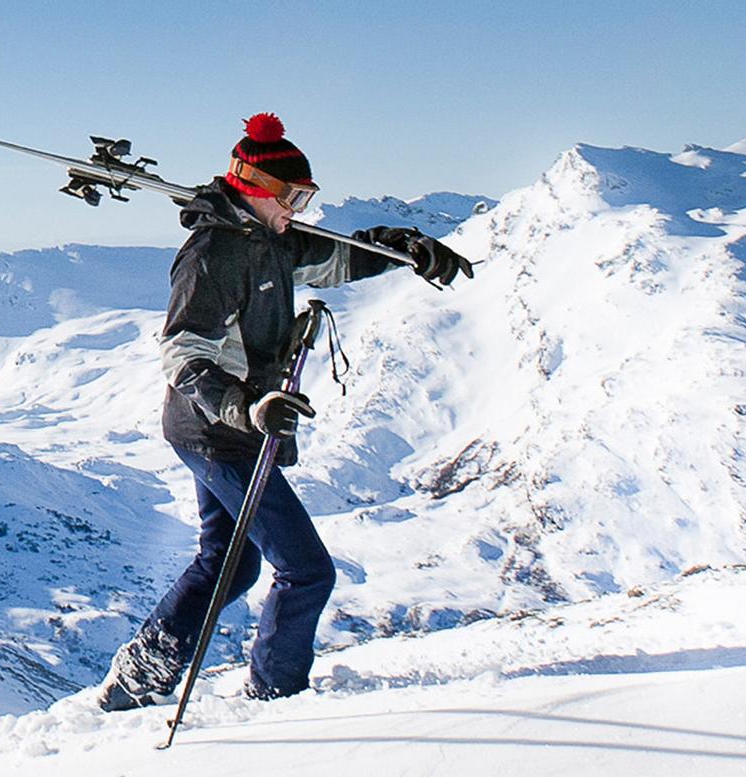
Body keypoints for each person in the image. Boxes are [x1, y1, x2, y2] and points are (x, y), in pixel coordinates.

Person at [96, 112, 473, 711]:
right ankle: (279, 698)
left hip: (231, 427)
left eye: (307, 195)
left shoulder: (267, 241)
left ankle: (137, 678)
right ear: (256, 189)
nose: (299, 206)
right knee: (305, 570)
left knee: (229, 564)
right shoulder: (214, 253)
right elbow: (182, 350)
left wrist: (406, 249)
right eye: (293, 195)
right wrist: (245, 407)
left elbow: (337, 257)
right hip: (217, 429)